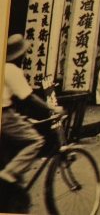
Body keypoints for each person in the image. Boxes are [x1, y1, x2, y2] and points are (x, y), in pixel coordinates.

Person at [1, 34, 63, 211]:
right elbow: (29, 98)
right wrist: (52, 109)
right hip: (5, 116)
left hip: (8, 114)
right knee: (36, 141)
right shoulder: (11, 70)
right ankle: (8, 175)